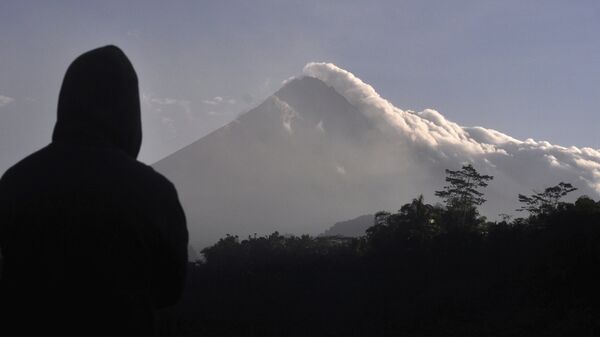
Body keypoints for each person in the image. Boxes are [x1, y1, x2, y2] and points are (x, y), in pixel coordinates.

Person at [0, 46, 188, 335]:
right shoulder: (155, 194)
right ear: (130, 112)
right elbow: (170, 290)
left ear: (67, 103)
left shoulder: (15, 183)